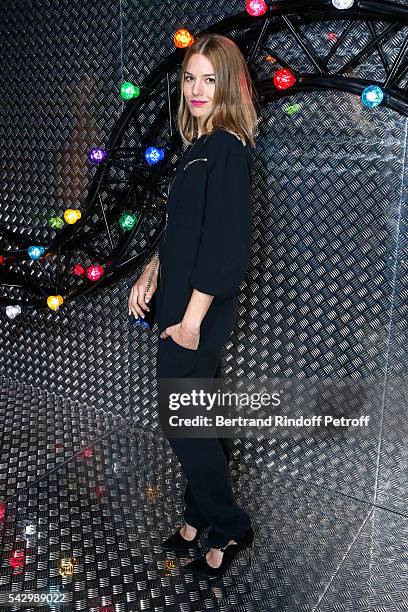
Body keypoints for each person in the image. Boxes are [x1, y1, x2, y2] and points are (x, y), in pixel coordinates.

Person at [128, 32, 258, 578]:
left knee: (185, 425)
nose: (198, 89)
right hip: (178, 307)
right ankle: (196, 515)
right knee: (201, 417)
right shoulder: (196, 148)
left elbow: (227, 243)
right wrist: (151, 271)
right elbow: (183, 230)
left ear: (227, 84)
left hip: (193, 318)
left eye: (210, 78)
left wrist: (190, 322)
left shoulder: (225, 147)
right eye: (190, 78)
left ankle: (229, 526)